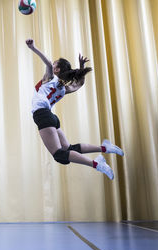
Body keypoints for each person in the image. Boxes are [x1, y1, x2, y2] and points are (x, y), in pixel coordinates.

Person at [26, 38, 124, 179]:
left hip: (42, 114)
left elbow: (47, 63)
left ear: (56, 69)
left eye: (54, 65)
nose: (51, 65)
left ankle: (96, 164)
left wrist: (33, 47)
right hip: (51, 117)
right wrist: (82, 68)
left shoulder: (50, 78)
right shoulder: (63, 89)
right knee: (68, 150)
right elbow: (79, 84)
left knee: (59, 155)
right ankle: (104, 147)